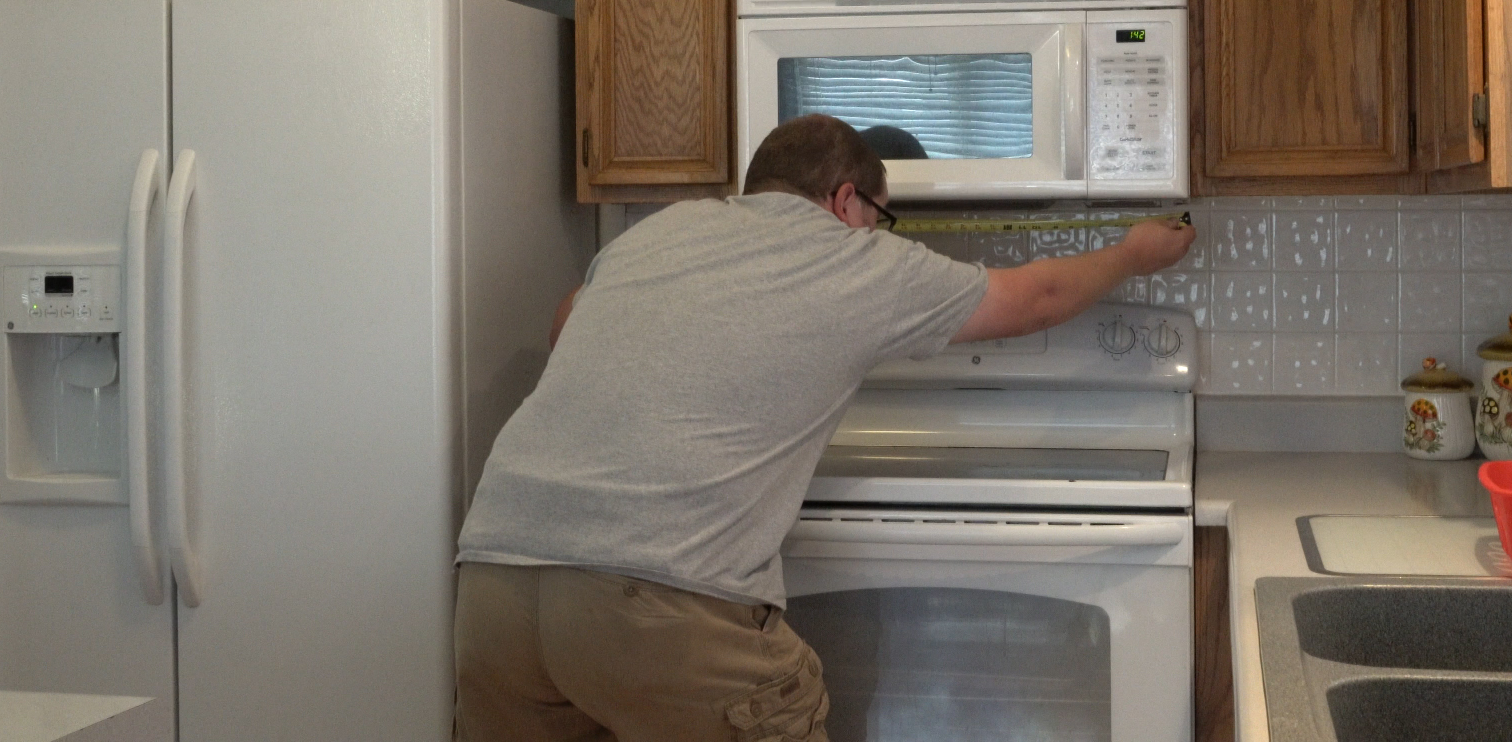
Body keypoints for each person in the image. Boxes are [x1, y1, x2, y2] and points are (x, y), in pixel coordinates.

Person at [453, 113, 1196, 742]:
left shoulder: (663, 231)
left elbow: (566, 324)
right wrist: (1134, 253)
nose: (879, 229)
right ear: (846, 201)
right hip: (654, 599)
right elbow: (1036, 298)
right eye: (881, 214)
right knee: (787, 705)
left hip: (495, 585)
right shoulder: (856, 259)